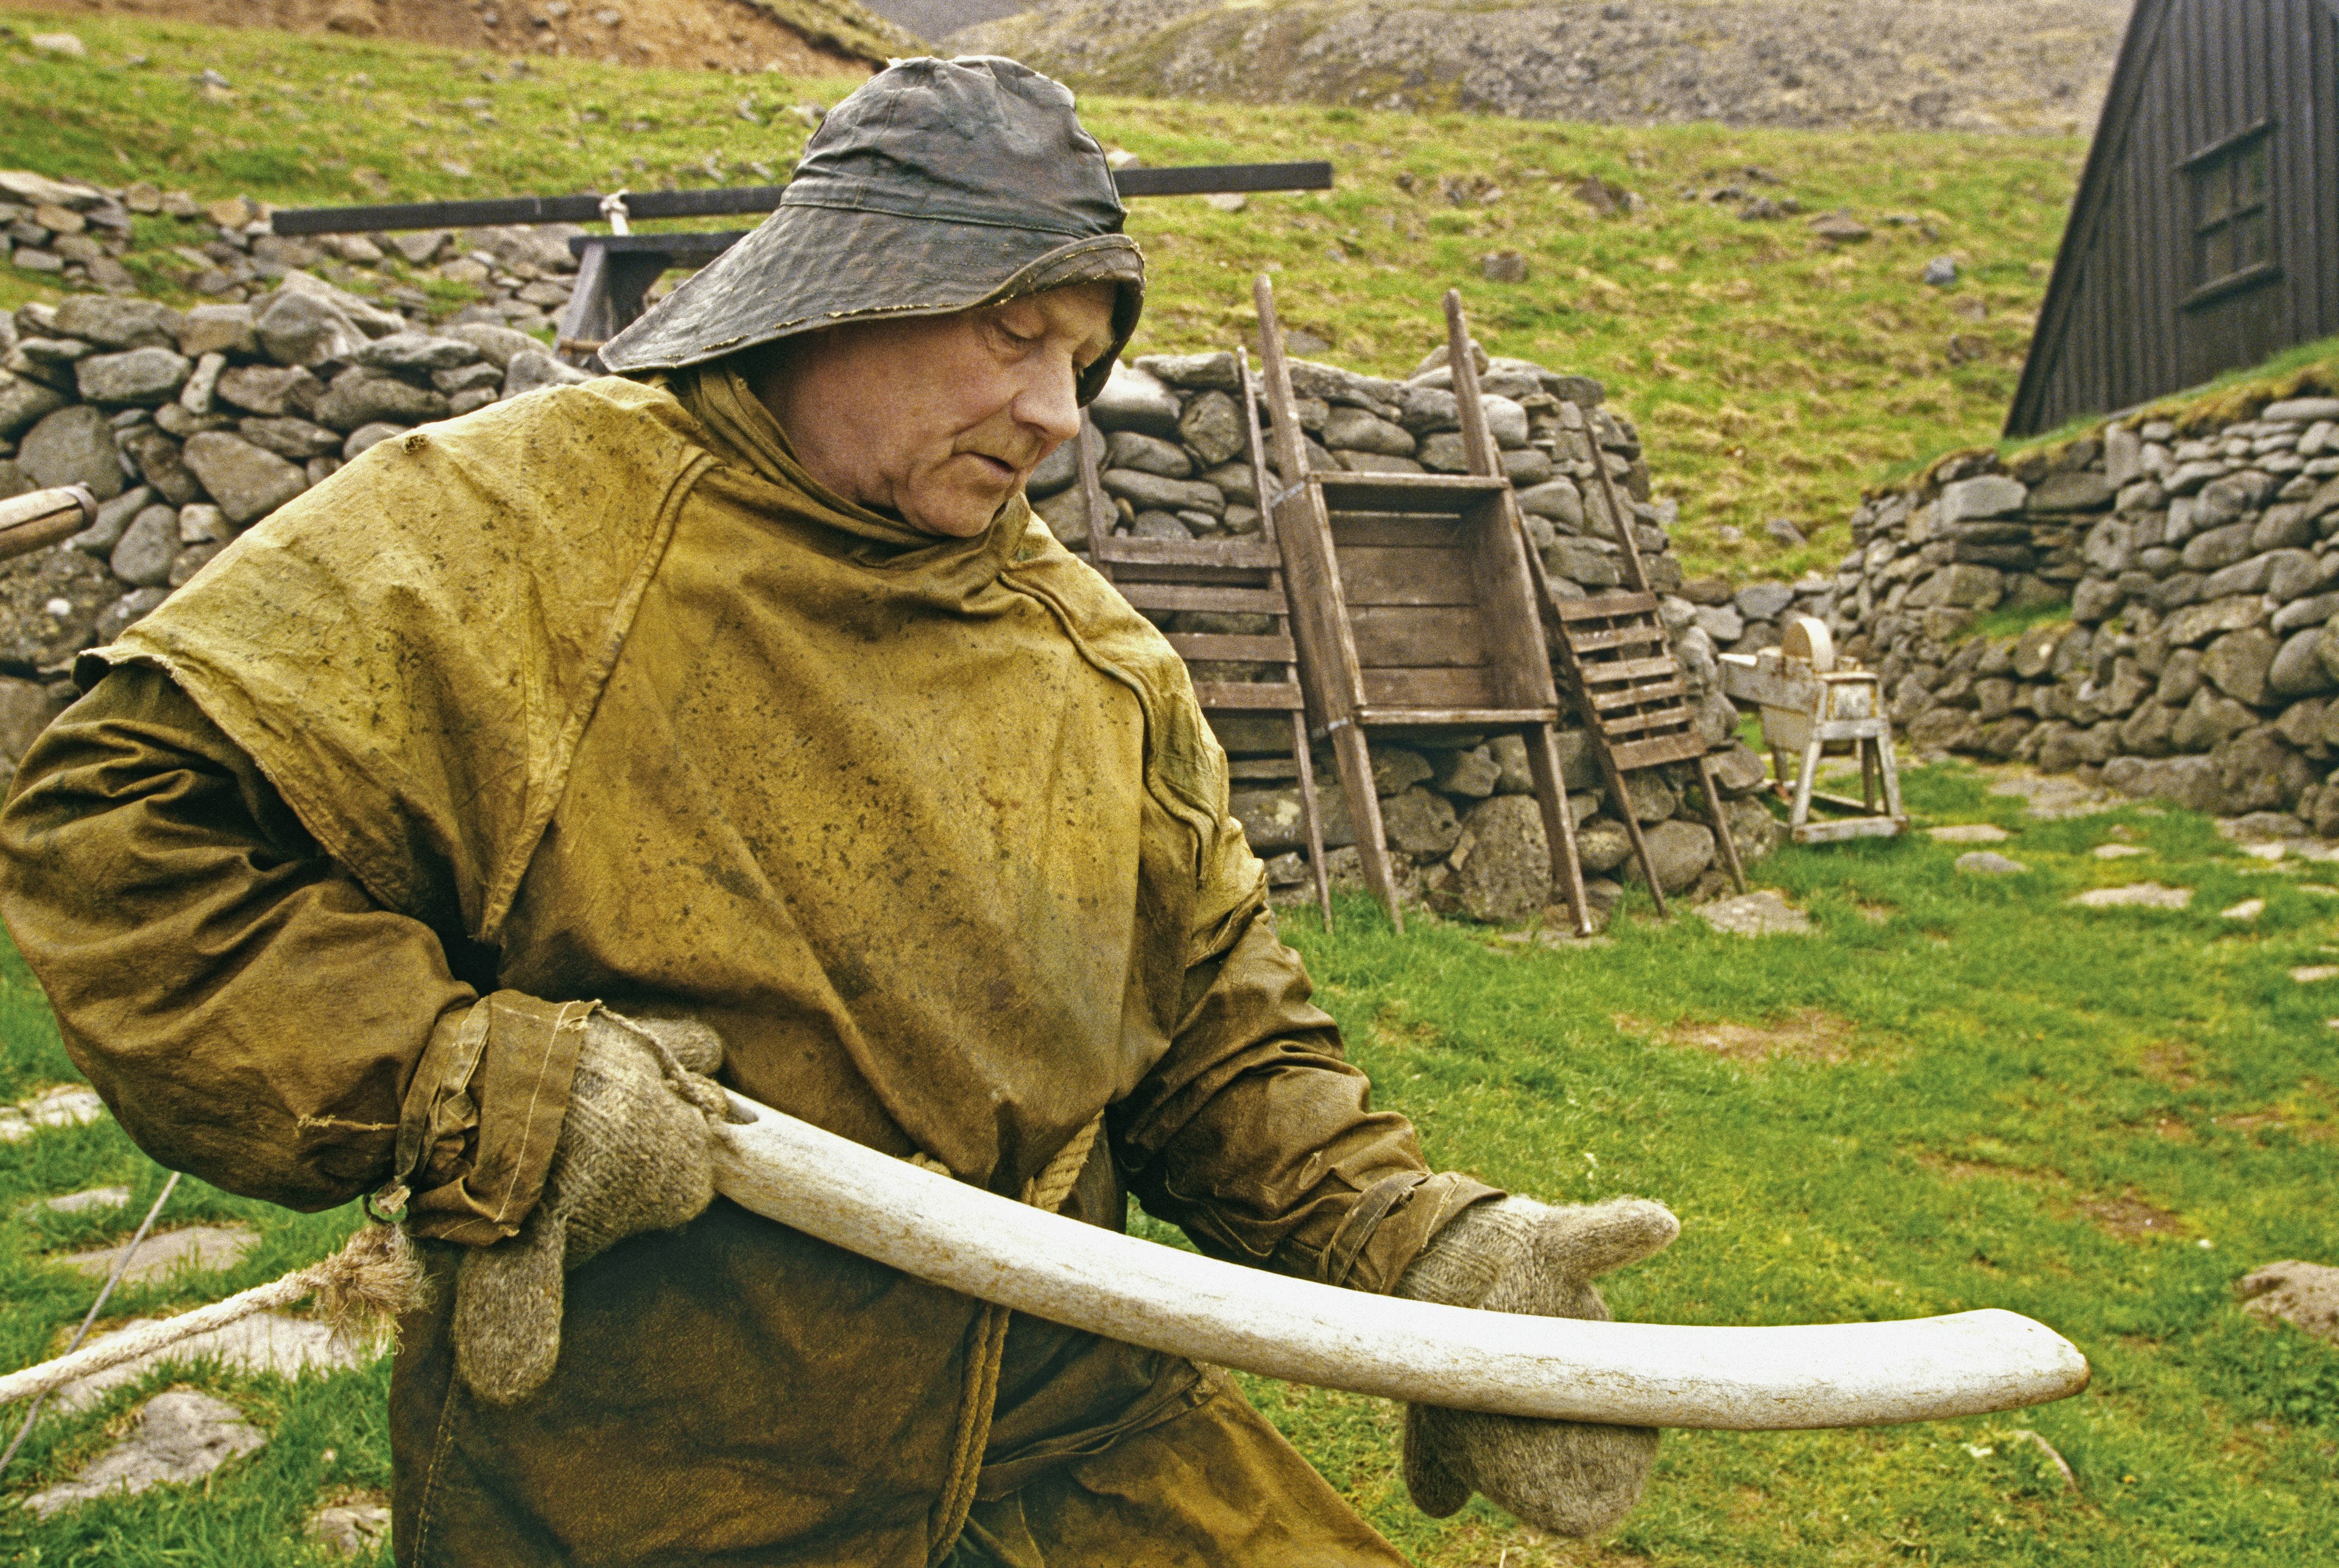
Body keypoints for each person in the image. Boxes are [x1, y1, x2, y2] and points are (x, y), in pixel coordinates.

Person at [0, 57, 1677, 1567]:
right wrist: (456, 1085)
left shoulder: (1099, 666)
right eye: (1012, 334)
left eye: (1082, 360)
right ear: (840, 296)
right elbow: (120, 828)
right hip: (674, 1487)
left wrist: (1424, 1252)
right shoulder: (513, 529)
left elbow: (1217, 1045)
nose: (1056, 412)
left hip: (1083, 1459)